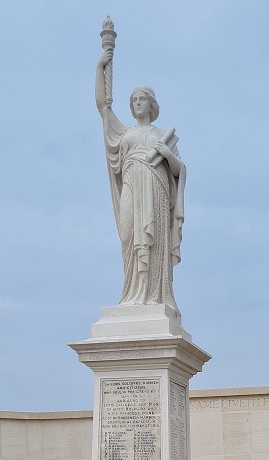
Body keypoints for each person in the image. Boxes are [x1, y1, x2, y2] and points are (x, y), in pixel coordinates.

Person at [95, 45, 185, 316]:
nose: (136, 102)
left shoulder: (162, 136)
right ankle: (132, 292)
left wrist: (168, 155)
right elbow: (102, 107)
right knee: (128, 235)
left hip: (156, 190)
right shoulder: (124, 133)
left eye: (141, 99)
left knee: (153, 240)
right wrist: (100, 66)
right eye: (133, 99)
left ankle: (153, 295)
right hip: (132, 187)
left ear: (151, 104)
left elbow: (180, 171)